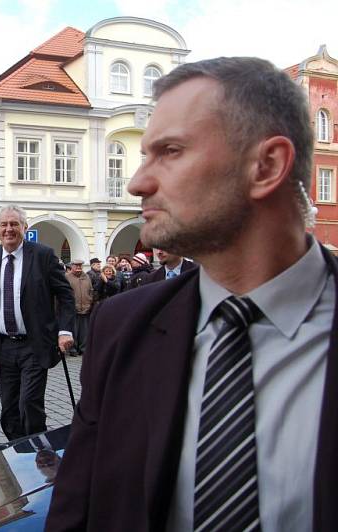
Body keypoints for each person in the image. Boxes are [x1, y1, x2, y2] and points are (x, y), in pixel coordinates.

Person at [47, 57, 338, 531]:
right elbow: (77, 508)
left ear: (266, 165)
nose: (137, 181)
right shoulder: (122, 328)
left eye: (171, 151)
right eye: (145, 154)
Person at [0, 205, 75, 441]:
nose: (9, 229)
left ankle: (39, 454)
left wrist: (65, 331)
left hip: (34, 344)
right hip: (2, 345)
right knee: (9, 411)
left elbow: (66, 295)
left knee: (29, 404)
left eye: (14, 224)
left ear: (25, 228)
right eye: (4, 225)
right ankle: (17, 452)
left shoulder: (43, 255)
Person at [65, 259, 93, 357]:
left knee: (84, 331)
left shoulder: (86, 277)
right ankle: (72, 349)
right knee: (73, 330)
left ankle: (83, 348)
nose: (78, 267)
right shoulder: (67, 277)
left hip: (85, 307)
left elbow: (90, 291)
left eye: (80, 265)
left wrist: (90, 300)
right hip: (72, 308)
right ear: (71, 266)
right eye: (76, 265)